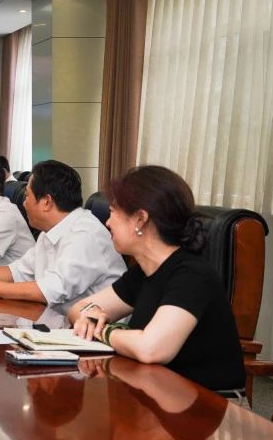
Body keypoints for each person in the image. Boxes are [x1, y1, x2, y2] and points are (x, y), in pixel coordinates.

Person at [68, 165, 246, 395]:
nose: (107, 222)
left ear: (140, 219)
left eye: (113, 212)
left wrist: (103, 330)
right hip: (159, 394)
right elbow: (77, 309)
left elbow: (151, 349)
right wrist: (91, 315)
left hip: (210, 404)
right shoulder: (143, 271)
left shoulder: (192, 275)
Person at [0, 160, 124, 306]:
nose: (24, 203)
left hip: (90, 332)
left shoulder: (85, 233)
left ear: (46, 202)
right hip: (55, 322)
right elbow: (16, 271)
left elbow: (50, 290)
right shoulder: (49, 232)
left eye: (27, 196)